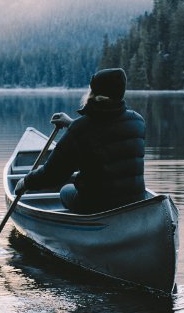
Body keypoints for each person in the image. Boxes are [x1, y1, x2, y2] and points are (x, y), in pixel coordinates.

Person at [14, 68, 146, 213]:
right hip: (135, 203)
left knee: (66, 190)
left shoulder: (81, 129)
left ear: (93, 92)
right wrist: (71, 124)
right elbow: (108, 133)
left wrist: (26, 182)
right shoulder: (137, 121)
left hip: (96, 207)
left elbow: (53, 174)